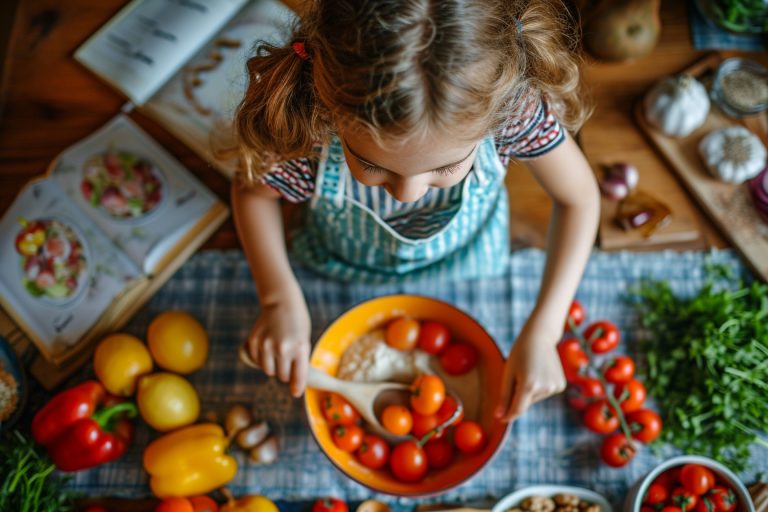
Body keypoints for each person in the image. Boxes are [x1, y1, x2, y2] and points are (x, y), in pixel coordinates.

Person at [232, 0, 600, 423]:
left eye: (444, 168)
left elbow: (580, 199)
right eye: (371, 164)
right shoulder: (311, 129)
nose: (407, 194)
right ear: (329, 105)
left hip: (467, 258)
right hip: (339, 263)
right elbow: (252, 193)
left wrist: (546, 329)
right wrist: (278, 297)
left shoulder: (514, 111)